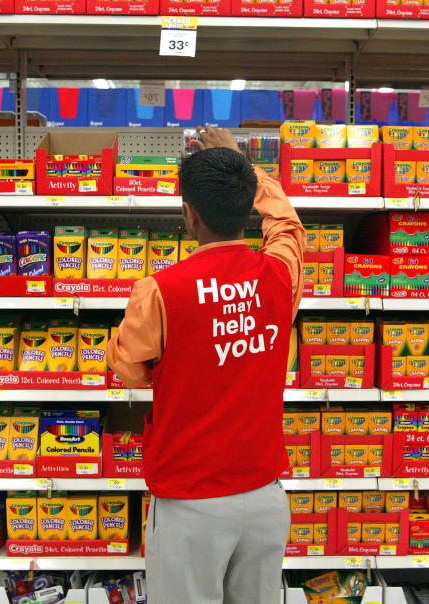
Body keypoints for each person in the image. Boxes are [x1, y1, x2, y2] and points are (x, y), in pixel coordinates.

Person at [107, 125, 305, 604]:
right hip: (264, 495)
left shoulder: (158, 290)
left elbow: (127, 368)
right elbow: (289, 227)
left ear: (189, 216)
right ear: (247, 209)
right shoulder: (280, 274)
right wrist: (247, 170)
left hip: (190, 500)